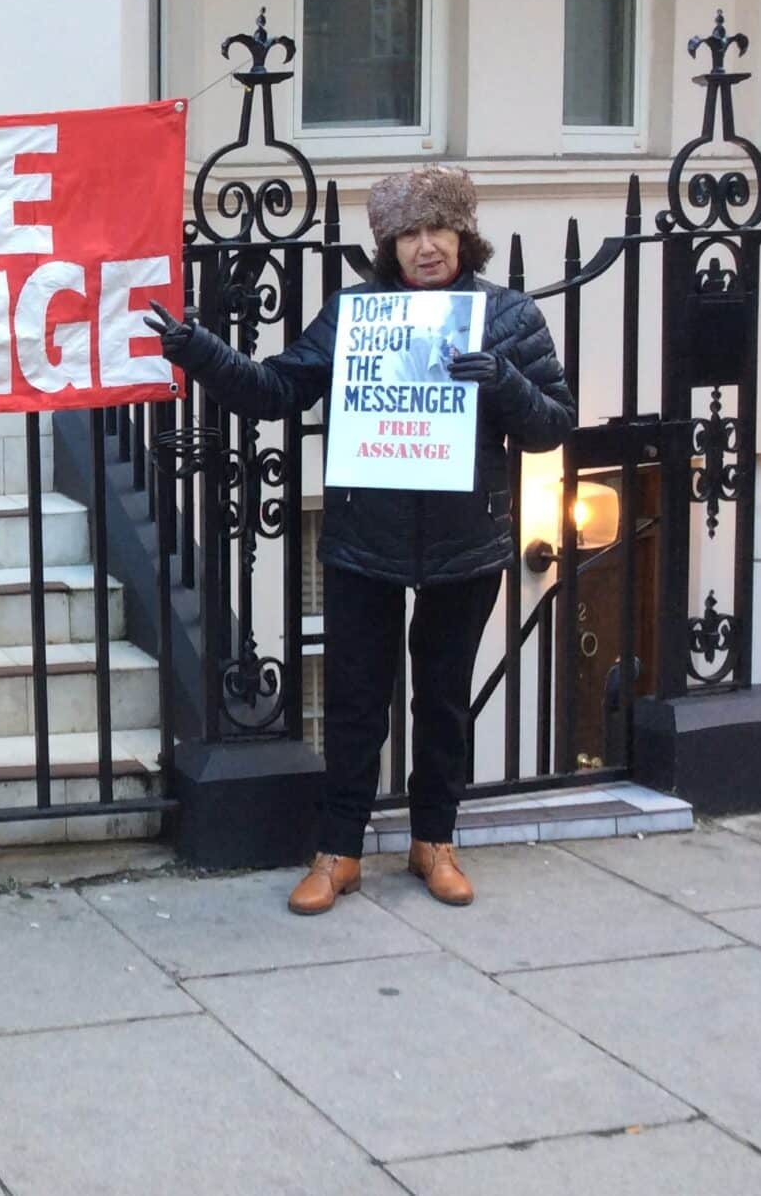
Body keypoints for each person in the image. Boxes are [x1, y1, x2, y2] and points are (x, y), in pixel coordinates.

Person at [145, 164, 575, 914]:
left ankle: (434, 841)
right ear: (388, 246)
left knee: (443, 703)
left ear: (463, 235)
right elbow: (278, 389)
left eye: (438, 229)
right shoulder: (355, 315)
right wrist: (198, 350)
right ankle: (338, 850)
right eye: (408, 234)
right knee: (354, 703)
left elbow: (553, 426)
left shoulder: (507, 317)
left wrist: (502, 380)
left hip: (465, 545)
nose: (426, 246)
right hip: (363, 541)